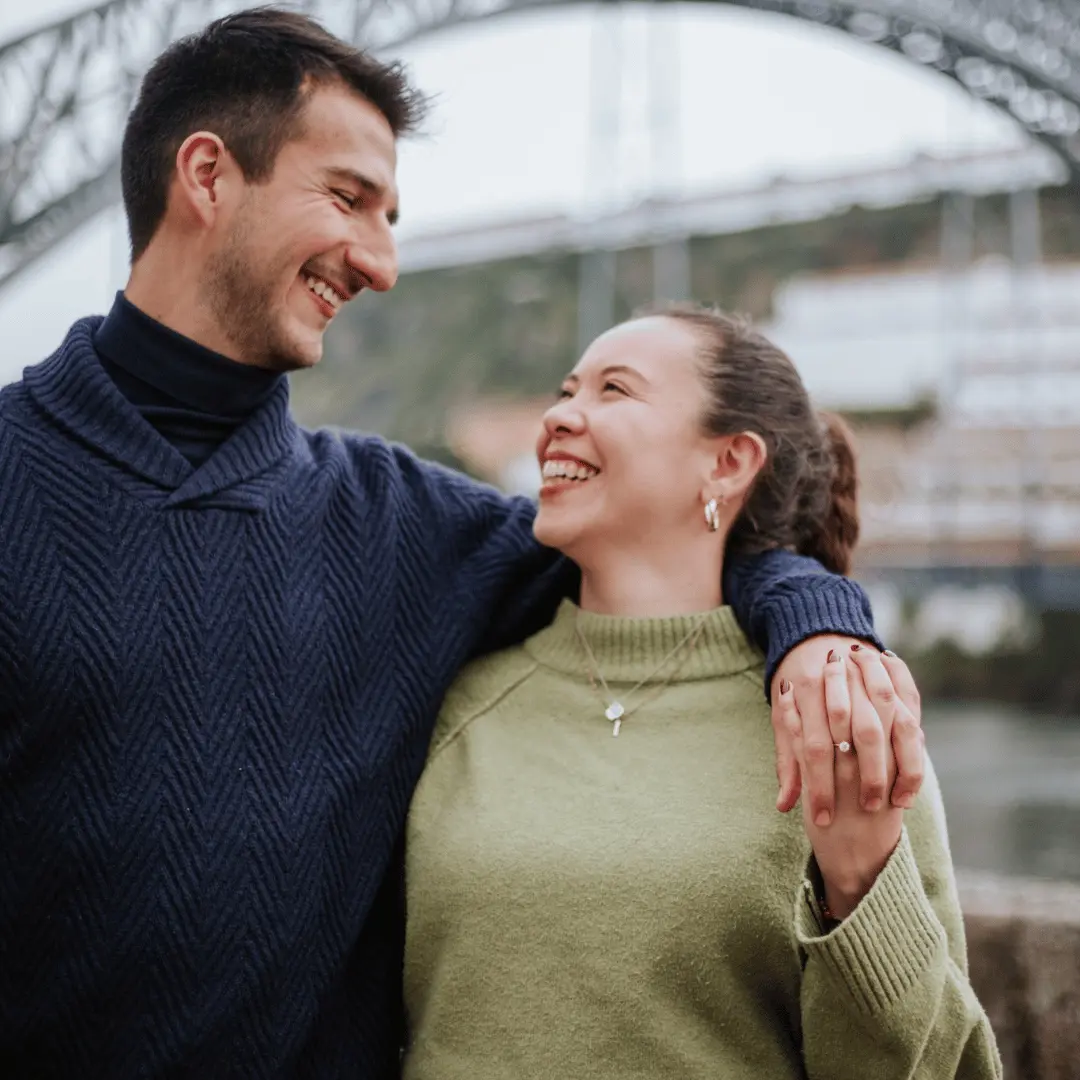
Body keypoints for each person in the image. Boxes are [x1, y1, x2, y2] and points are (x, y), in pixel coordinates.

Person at [0, 9, 917, 1077]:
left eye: (390, 216)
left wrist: (817, 623)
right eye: (347, 199)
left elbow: (666, 540)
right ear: (207, 175)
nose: (380, 263)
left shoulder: (403, 529)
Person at [403, 306, 1001, 1079]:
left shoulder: (837, 713)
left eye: (613, 391)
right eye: (566, 390)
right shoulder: (460, 701)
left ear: (728, 463)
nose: (558, 416)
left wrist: (857, 888)